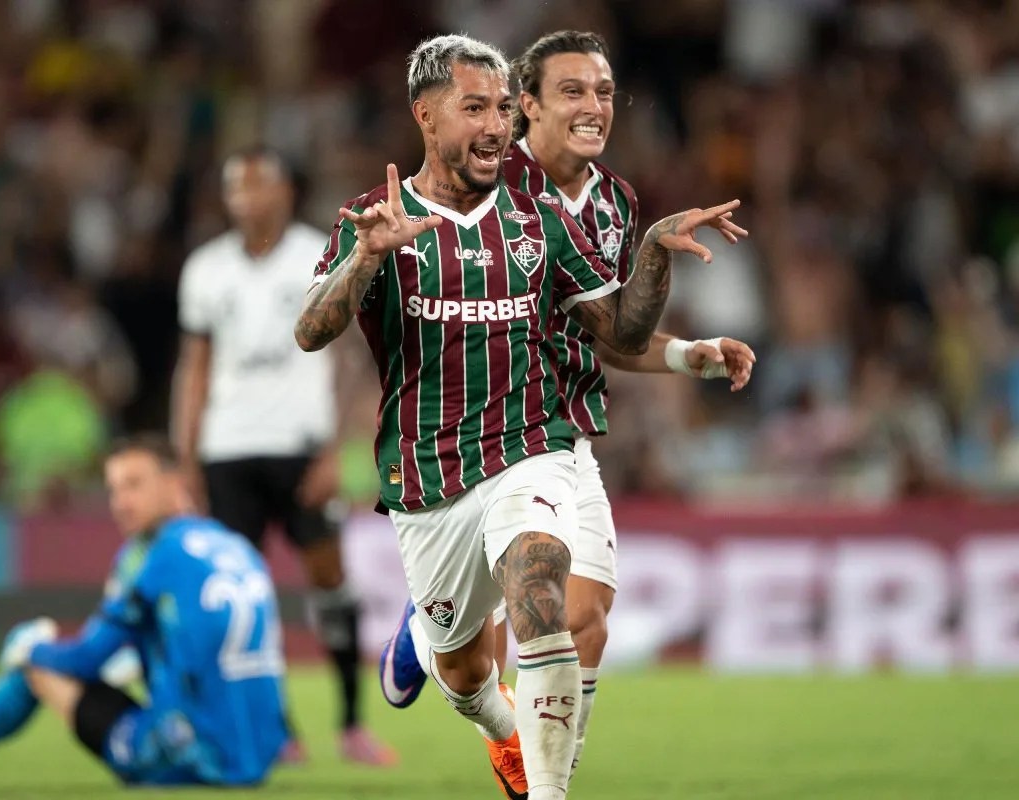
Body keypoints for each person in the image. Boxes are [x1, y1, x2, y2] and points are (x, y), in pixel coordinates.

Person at [294, 34, 746, 800]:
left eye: (503, 109)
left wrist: (652, 257)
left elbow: (618, 334)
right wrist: (367, 257)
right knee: (467, 675)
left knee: (544, 590)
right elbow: (310, 331)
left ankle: (547, 792)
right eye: (475, 108)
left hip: (531, 445)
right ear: (426, 115)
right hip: (427, 476)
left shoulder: (539, 218)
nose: (496, 125)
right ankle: (493, 715)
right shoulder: (376, 218)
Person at [0, 435, 288, 790]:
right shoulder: (233, 545)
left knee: (37, 666)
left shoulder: (152, 555)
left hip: (192, 757)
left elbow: (86, 658)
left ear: (175, 482)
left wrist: (30, 649)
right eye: (113, 489)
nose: (121, 503)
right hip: (260, 756)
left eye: (134, 485)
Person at [171, 146, 395, 765]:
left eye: (257, 185)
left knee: (329, 578)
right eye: (234, 187)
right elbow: (195, 369)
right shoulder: (205, 269)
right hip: (227, 448)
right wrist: (185, 458)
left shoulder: (317, 256)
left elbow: (349, 360)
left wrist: (338, 450)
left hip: (301, 447)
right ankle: (277, 728)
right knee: (241, 593)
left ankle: (351, 724)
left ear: (285, 192)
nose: (244, 198)